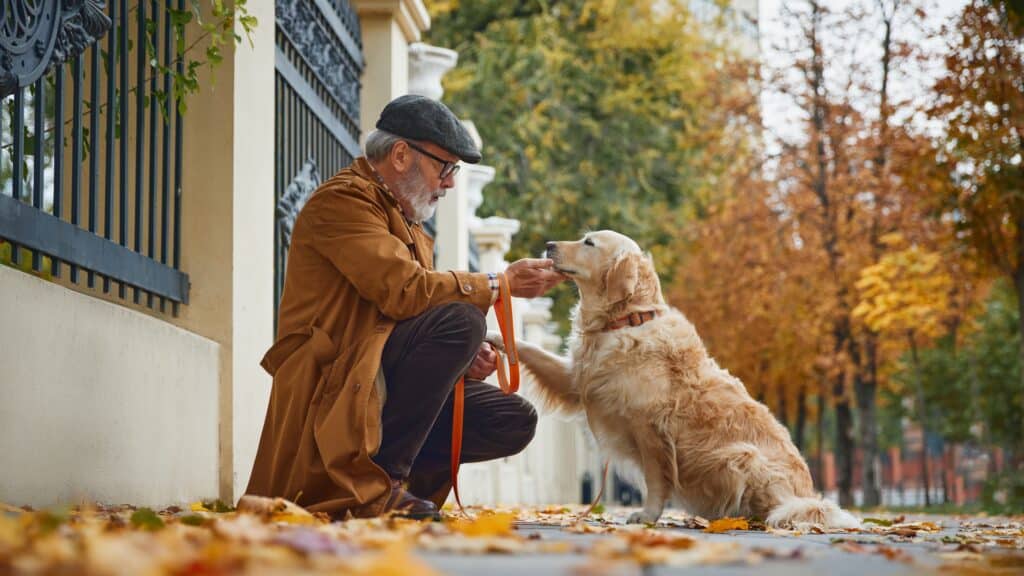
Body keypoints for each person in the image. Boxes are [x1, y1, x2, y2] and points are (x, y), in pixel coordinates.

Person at [246, 94, 565, 519]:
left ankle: (400, 487)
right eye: (445, 167)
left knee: (513, 419)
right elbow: (404, 291)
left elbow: (406, 319)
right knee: (462, 320)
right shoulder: (342, 202)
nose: (450, 182)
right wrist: (499, 283)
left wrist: (462, 357)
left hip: (372, 379)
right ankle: (378, 492)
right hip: (333, 385)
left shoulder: (404, 219)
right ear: (400, 155)